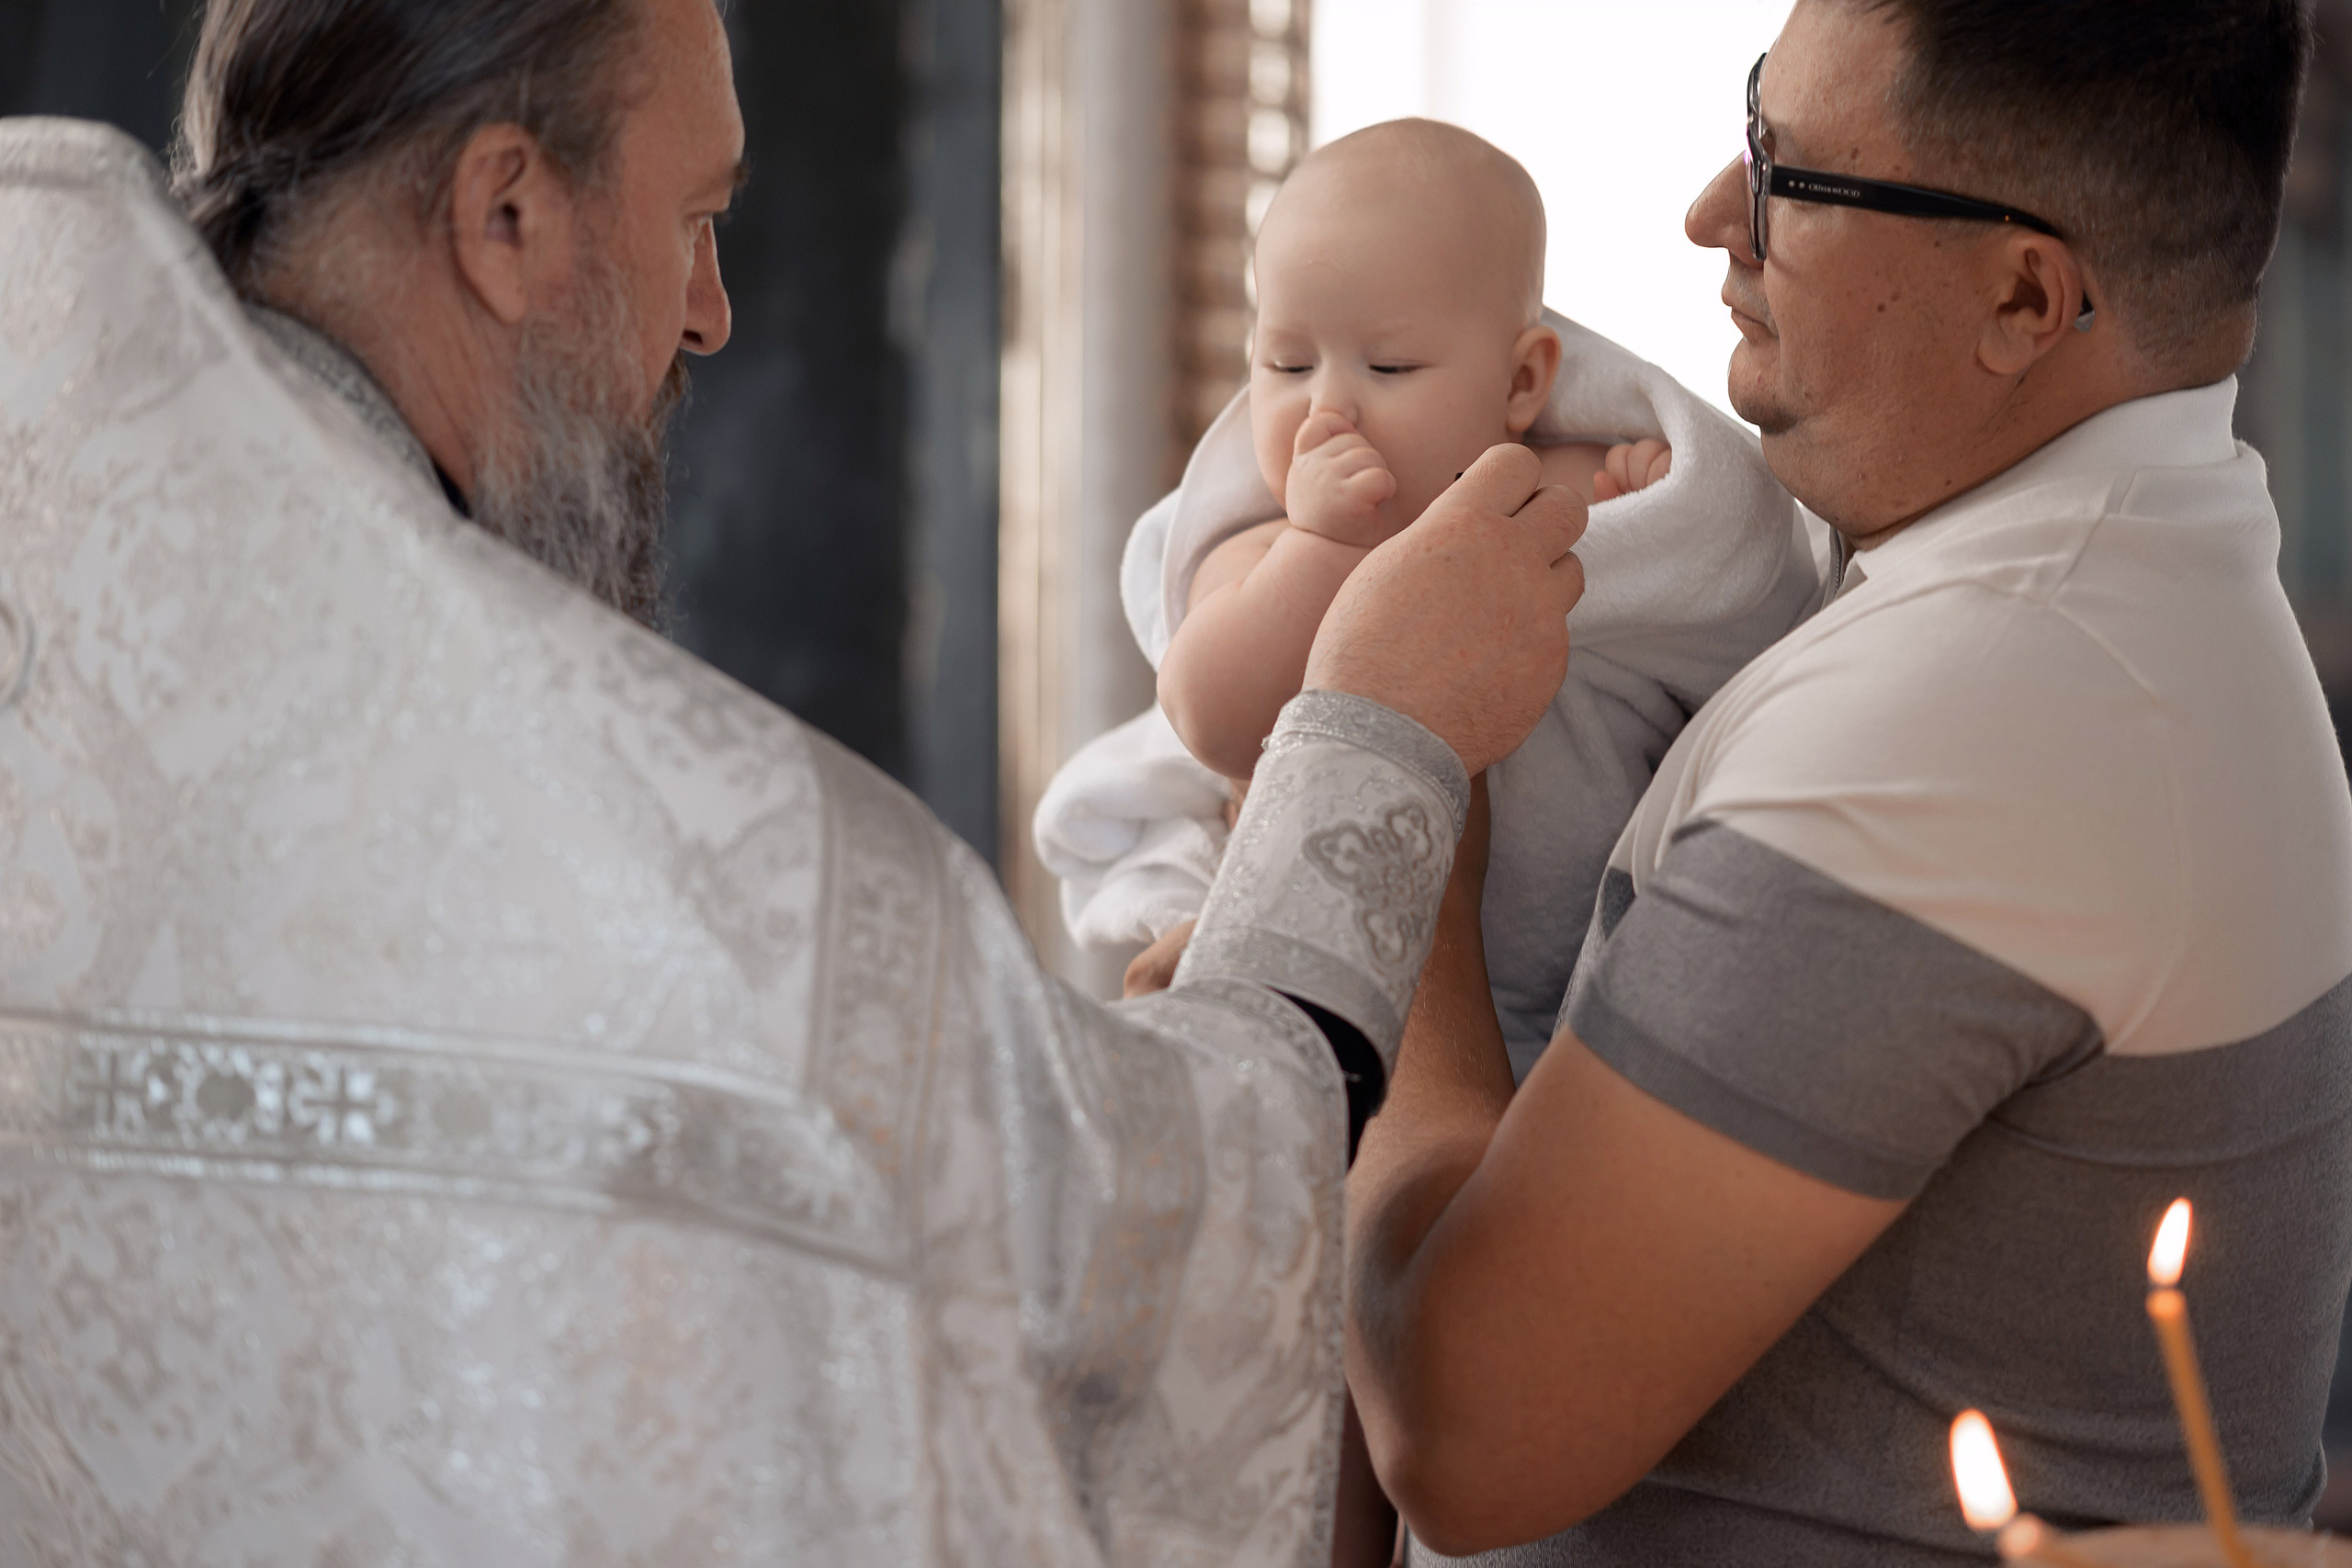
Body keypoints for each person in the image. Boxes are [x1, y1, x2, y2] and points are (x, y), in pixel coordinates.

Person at [0, 0, 1587, 1561]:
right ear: (503, 214)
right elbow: (1139, 1274)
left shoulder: (55, 601)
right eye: (693, 221)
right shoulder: (700, 881)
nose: (712, 313)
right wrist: (1381, 733)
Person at [1340, 2, 2352, 1564]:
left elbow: (1464, 1439)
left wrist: (1405, 802)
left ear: (2024, 294)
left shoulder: (1990, 713)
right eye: (1755, 116)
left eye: (1786, 175)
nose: (1707, 216)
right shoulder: (2151, 571)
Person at [1037, 120, 1817, 1062]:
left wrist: (1637, 487)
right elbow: (1212, 716)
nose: (1326, 406)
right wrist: (1323, 551)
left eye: (1389, 367)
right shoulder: (1261, 545)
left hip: (1567, 998)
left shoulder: (1545, 483)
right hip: (1343, 987)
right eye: (1285, 364)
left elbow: (1680, 555)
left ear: (1522, 382)